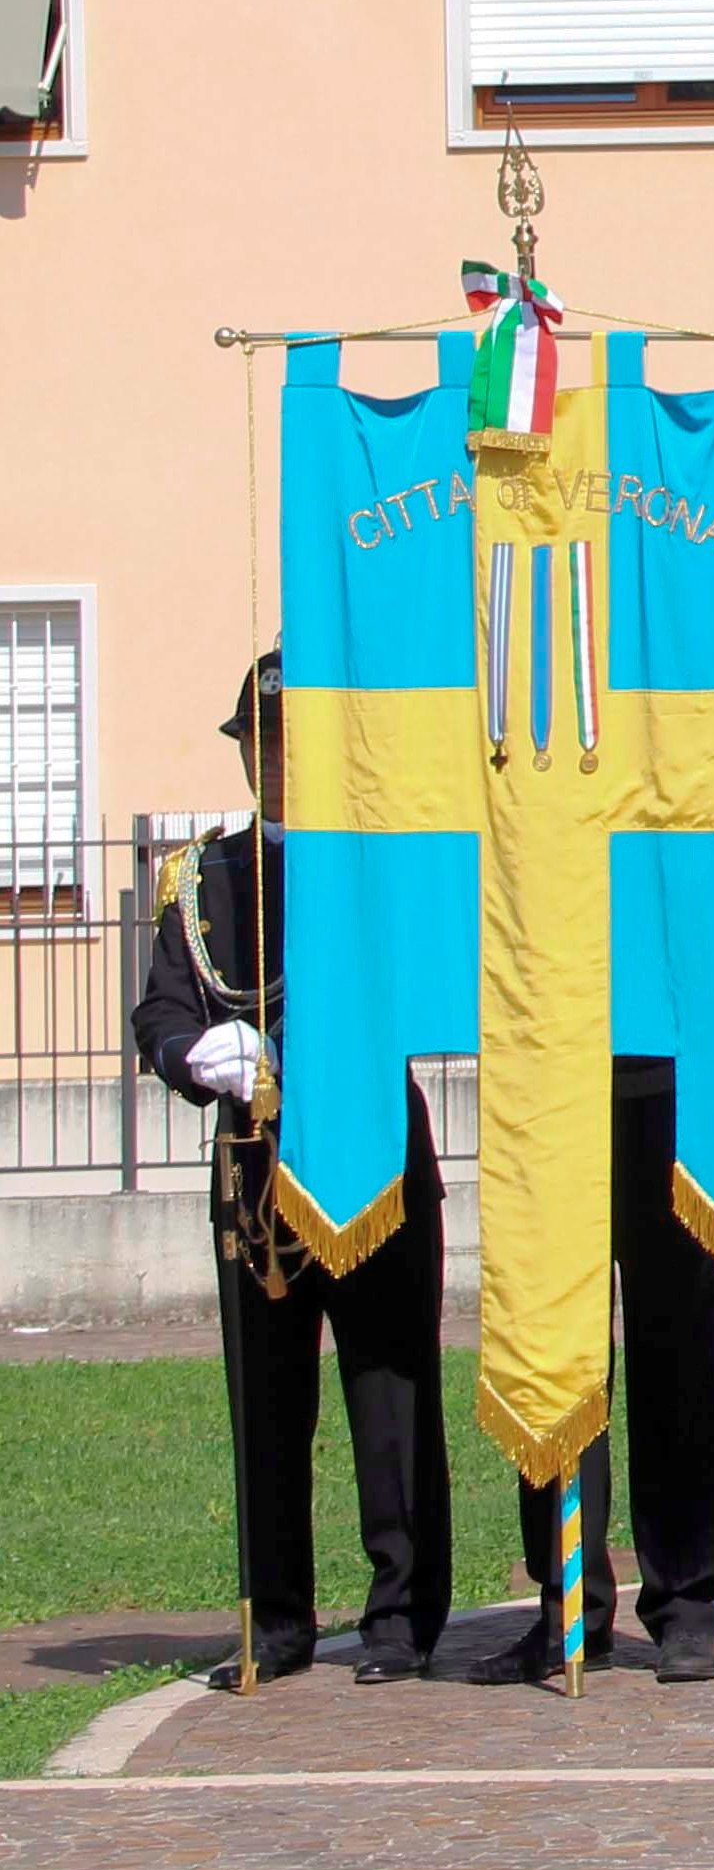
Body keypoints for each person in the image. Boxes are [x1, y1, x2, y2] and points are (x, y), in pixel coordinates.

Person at [129, 651, 455, 1686]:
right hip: (254, 1176)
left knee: (390, 1390)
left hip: (367, 1152)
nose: (273, 762)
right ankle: (275, 1616)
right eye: (259, 744)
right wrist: (194, 1054)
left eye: (290, 744)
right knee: (266, 1402)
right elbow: (161, 1009)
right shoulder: (203, 878)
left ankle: (402, 1613)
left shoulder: (371, 863)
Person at [468, 1052, 714, 1687]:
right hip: (552, 1080)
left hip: (671, 1084)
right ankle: (569, 1605)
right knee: (551, 1356)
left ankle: (687, 1604)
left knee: (680, 1358)